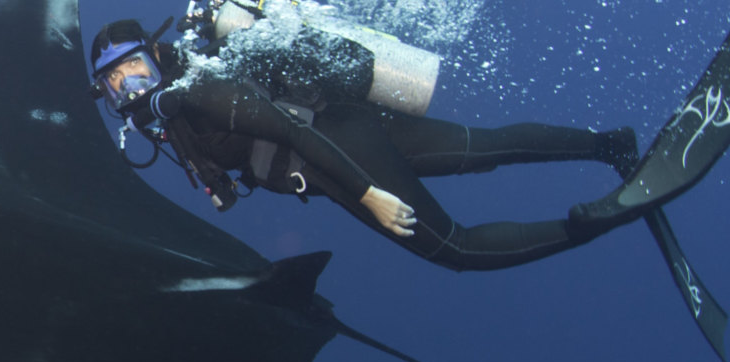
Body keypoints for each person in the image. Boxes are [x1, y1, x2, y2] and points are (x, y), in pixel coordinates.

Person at [89, 17, 652, 272]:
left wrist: (368, 193)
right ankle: (610, 146)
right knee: (483, 149)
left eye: (134, 69)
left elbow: (291, 132)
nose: (128, 87)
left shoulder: (201, 89)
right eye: (114, 82)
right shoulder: (158, 113)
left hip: (336, 152)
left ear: (156, 56)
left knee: (456, 250)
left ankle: (593, 222)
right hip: (346, 124)